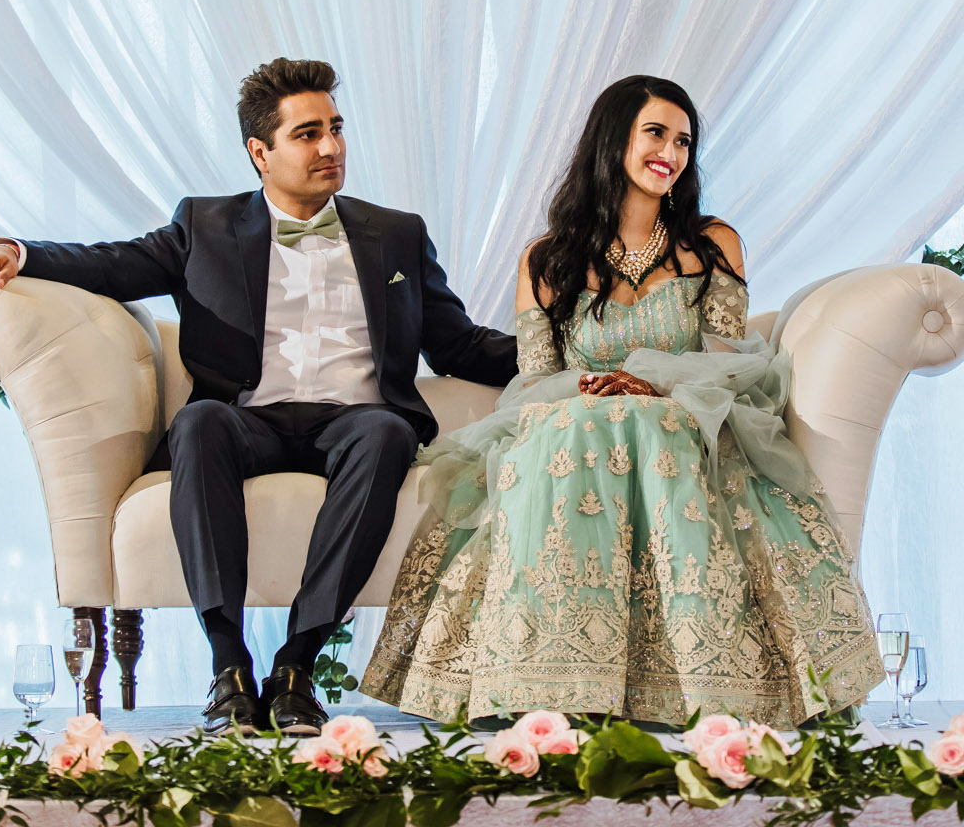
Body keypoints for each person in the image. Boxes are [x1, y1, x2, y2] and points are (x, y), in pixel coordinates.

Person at [0, 58, 515, 735]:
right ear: (259, 152)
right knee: (199, 423)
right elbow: (112, 263)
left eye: (335, 129)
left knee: (387, 432)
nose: (330, 148)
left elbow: (457, 346)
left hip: (356, 423)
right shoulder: (204, 226)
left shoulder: (396, 234)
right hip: (248, 421)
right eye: (307, 134)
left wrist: (572, 347)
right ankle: (229, 667)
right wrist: (19, 252)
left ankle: (297, 667)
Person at [361, 75, 883, 726]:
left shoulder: (711, 244)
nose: (672, 152)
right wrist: (596, 390)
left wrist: (657, 383)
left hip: (686, 419)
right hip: (573, 425)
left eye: (685, 140)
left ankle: (688, 682)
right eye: (656, 133)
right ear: (614, 141)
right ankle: (554, 678)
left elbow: (730, 361)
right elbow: (536, 377)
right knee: (577, 424)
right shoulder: (546, 259)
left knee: (648, 420)